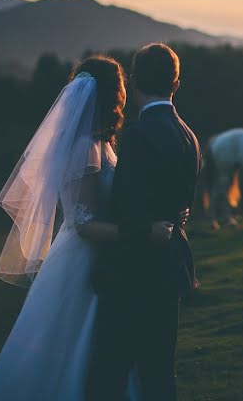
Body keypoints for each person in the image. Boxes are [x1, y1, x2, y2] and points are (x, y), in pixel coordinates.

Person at [0, 55, 190, 400]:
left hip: (106, 256)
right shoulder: (85, 149)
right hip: (84, 259)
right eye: (123, 83)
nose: (128, 88)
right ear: (111, 94)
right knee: (76, 346)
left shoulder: (100, 143)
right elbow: (83, 224)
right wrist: (143, 232)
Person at [86, 43, 201, 401]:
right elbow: (179, 202)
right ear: (176, 85)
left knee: (109, 373)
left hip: (133, 272)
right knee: (159, 373)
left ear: (134, 82)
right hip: (170, 270)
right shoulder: (189, 135)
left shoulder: (138, 135)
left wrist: (141, 228)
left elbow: (128, 209)